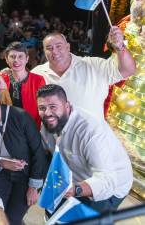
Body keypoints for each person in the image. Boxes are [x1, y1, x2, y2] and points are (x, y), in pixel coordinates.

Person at [37, 84, 133, 213]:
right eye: (42, 108)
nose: (47, 113)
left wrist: (75, 189)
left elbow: (107, 181)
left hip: (110, 187)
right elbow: (45, 152)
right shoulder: (48, 124)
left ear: (67, 106)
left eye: (53, 107)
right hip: (73, 178)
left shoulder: (90, 131)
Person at [0, 80, 47, 225]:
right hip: (0, 173)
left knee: (12, 220)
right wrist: (1, 163)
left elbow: (38, 152)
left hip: (25, 176)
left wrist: (34, 186)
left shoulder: (20, 116)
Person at [31, 28, 136, 118]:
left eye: (59, 46)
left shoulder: (94, 65)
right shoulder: (36, 74)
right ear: (44, 51)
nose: (54, 51)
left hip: (90, 139)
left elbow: (128, 70)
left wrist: (120, 46)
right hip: (51, 140)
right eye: (49, 48)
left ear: (68, 47)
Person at [0, 42, 45, 128]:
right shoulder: (0, 79)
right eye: (12, 57)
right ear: (6, 59)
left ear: (27, 59)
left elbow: (43, 107)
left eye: (20, 56)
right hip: (7, 128)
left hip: (32, 129)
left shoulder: (38, 80)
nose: (16, 60)